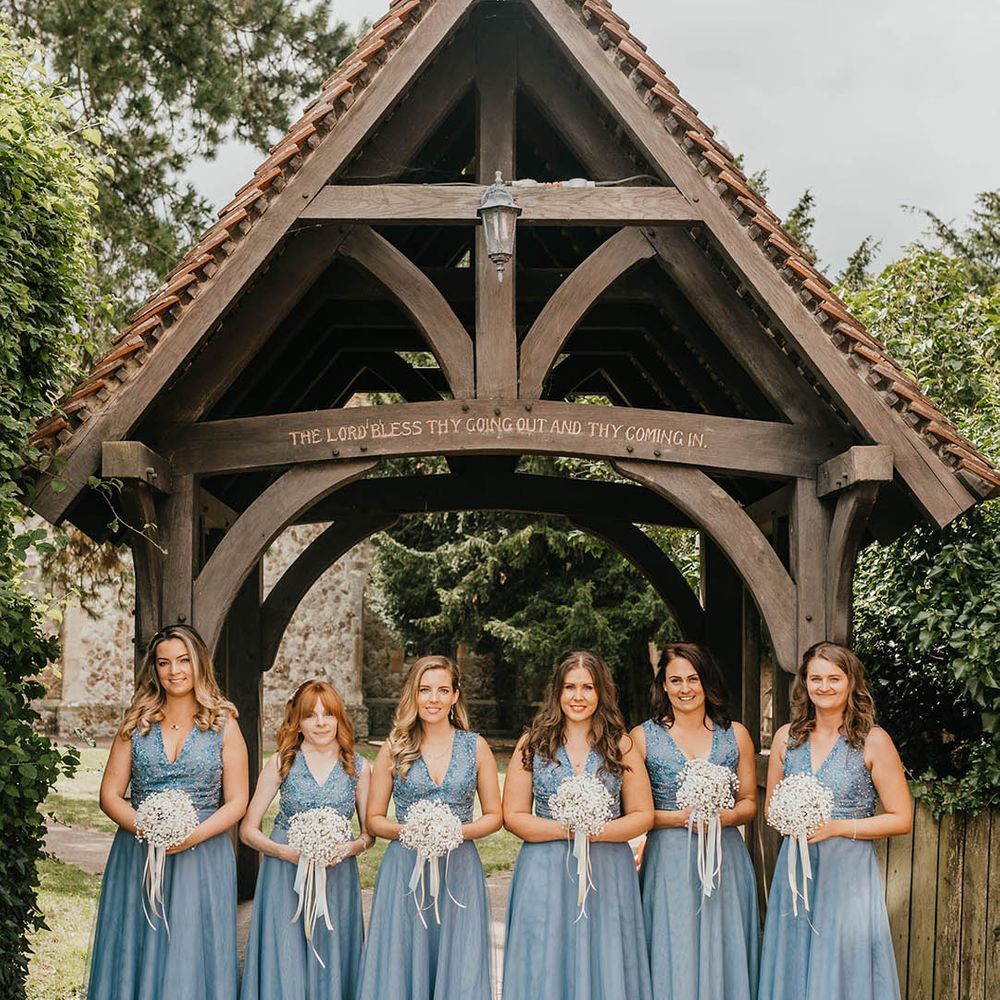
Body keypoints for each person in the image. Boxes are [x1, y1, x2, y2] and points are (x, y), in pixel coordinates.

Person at [86, 624, 249, 1000]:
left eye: (183, 661)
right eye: (164, 663)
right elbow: (110, 795)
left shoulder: (224, 723)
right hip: (138, 852)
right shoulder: (136, 722)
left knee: (190, 947)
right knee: (135, 941)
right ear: (154, 669)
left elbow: (237, 801)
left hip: (202, 855)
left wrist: (190, 836)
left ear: (198, 664)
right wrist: (149, 829)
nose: (174, 671)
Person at [758, 641, 911, 1000]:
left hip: (849, 873)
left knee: (844, 962)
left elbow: (901, 818)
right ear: (805, 685)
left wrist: (837, 827)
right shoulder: (787, 737)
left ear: (851, 683)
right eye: (816, 679)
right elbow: (771, 811)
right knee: (793, 957)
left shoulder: (873, 741)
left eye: (834, 678)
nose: (824, 687)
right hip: (795, 868)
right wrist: (791, 818)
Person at [502, 650, 654, 1000]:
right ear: (557, 692)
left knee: (605, 957)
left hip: (607, 870)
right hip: (544, 870)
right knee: (545, 955)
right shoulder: (533, 744)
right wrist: (569, 830)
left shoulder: (621, 745)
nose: (578, 696)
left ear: (601, 692)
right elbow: (514, 816)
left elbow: (642, 814)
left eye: (588, 687)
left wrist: (594, 830)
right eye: (570, 687)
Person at [357, 655, 502, 1000]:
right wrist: (413, 831)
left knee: (459, 960)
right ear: (414, 694)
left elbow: (495, 816)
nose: (433, 699)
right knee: (405, 957)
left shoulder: (475, 746)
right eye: (425, 690)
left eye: (442, 690)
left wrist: (454, 832)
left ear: (455, 696)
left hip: (460, 868)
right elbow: (374, 820)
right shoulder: (395, 747)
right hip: (405, 869)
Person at [631, 643, 759, 1000]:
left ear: (707, 682)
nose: (685, 688)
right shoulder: (641, 739)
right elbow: (631, 811)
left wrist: (724, 816)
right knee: (675, 947)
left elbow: (749, 802)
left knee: (725, 944)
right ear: (664, 686)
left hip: (726, 857)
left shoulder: (736, 735)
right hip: (669, 860)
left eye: (693, 679)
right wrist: (679, 818)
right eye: (676, 680)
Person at [239, 679, 372, 999]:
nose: (322, 722)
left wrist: (347, 848)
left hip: (337, 875)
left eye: (329, 714)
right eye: (311, 715)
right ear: (297, 721)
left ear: (340, 718)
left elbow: (370, 834)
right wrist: (283, 852)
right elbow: (248, 830)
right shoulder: (282, 762)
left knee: (332, 954)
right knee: (285, 953)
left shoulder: (359, 766)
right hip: (284, 875)